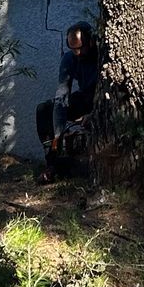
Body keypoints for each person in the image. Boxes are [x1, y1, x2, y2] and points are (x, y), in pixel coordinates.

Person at [35, 21, 101, 183]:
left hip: (101, 100)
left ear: (91, 41)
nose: (77, 53)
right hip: (85, 97)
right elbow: (62, 94)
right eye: (73, 49)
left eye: (81, 48)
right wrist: (58, 132)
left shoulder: (102, 55)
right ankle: (52, 164)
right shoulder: (69, 59)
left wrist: (93, 115)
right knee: (45, 110)